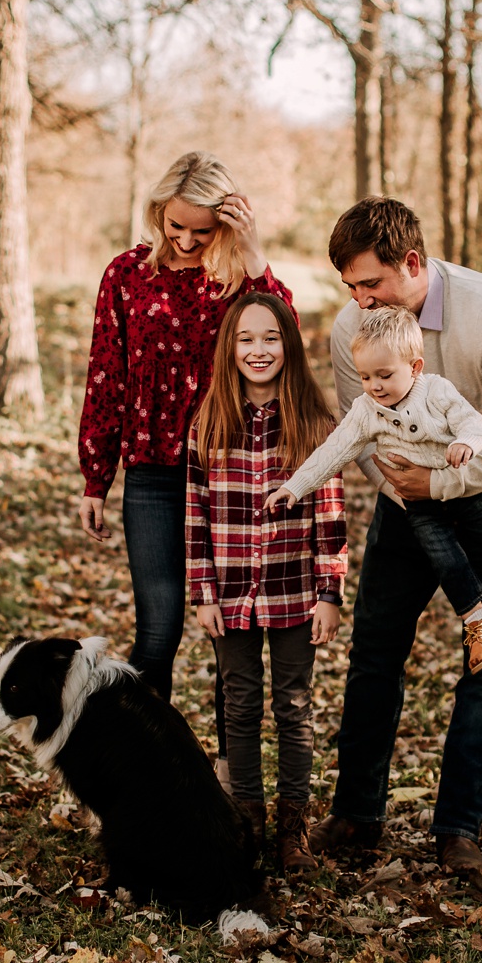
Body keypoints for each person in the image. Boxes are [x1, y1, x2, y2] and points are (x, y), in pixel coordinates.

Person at [308, 197, 482, 882]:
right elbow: (358, 432)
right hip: (405, 504)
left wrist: (442, 487)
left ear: (412, 264)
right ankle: (357, 813)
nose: (359, 300)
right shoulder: (350, 328)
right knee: (375, 652)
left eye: (372, 283)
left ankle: (458, 830)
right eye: (350, 287)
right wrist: (405, 491)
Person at [76, 152, 292, 710]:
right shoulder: (126, 274)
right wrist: (95, 479)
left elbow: (284, 334)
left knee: (232, 637)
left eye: (204, 229)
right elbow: (106, 374)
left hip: (227, 473)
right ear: (158, 214)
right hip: (150, 474)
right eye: (177, 227)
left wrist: (253, 253)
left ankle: (229, 773)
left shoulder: (240, 282)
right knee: (159, 629)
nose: (189, 241)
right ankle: (149, 771)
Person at [268, 305, 482, 673]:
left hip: (461, 487)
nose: (374, 386)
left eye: (384, 375)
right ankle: (479, 626)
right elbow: (335, 449)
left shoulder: (436, 391)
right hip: (420, 503)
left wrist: (466, 442)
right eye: (365, 376)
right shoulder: (367, 408)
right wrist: (296, 486)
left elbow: (473, 421)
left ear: (415, 367)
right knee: (448, 562)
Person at [184, 293, 346, 872]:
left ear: (289, 346)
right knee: (241, 702)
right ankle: (248, 823)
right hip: (227, 593)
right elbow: (195, 513)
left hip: (296, 589)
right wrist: (202, 592)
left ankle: (292, 831)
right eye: (246, 339)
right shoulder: (209, 422)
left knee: (294, 706)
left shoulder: (314, 422)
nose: (258, 350)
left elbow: (330, 512)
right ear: (229, 347)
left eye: (270, 338)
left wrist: (330, 591)